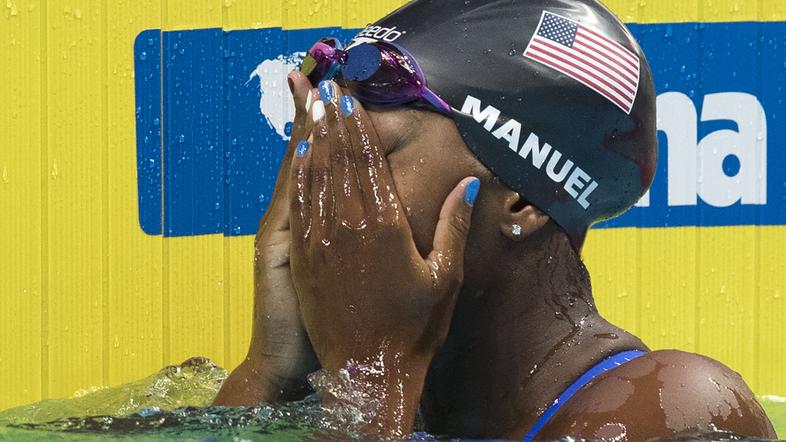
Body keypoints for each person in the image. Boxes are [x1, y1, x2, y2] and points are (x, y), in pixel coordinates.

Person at [213, 0, 777, 439]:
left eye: (368, 161)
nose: (325, 198)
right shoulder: (374, 399)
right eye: (318, 153)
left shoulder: (674, 414)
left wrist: (370, 376)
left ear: (524, 198)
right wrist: (272, 371)